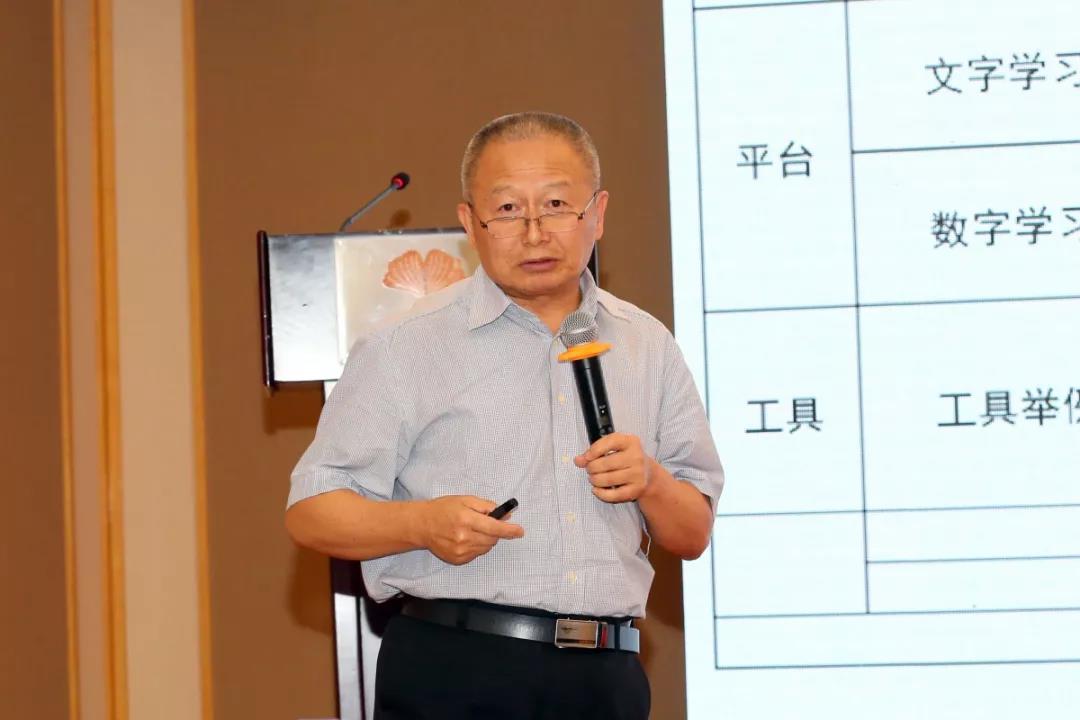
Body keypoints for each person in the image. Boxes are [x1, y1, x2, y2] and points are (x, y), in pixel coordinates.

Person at [286, 111, 723, 720]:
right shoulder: (403, 346)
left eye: (556, 205)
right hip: (456, 670)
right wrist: (421, 524)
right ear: (471, 222)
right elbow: (312, 511)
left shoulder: (647, 344)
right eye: (509, 209)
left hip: (606, 678)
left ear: (597, 213)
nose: (535, 232)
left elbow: (692, 534)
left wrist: (650, 480)